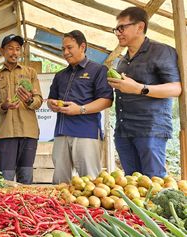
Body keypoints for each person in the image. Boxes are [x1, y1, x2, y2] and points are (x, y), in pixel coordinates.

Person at [108, 7, 181, 178]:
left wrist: (139, 88)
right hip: (124, 131)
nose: (118, 33)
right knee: (132, 184)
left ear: (140, 27)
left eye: (121, 28)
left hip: (150, 130)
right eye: (116, 29)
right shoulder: (123, 61)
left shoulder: (161, 51)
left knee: (154, 183)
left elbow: (176, 88)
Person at [47, 30, 113, 184]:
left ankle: (90, 210)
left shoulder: (98, 70)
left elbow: (106, 100)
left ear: (82, 46)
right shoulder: (60, 75)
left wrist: (80, 109)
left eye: (69, 48)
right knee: (60, 183)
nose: (65, 52)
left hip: (86, 132)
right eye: (63, 49)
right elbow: (51, 99)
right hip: (61, 132)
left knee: (91, 183)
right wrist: (52, 104)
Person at [0, 34, 43, 184]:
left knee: (25, 178)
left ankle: (26, 208)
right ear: (2, 51)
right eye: (10, 48)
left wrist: (29, 100)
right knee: (4, 180)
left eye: (18, 49)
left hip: (28, 132)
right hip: (6, 134)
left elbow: (39, 101)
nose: (14, 53)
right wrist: (3, 106)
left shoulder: (30, 73)